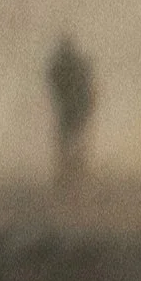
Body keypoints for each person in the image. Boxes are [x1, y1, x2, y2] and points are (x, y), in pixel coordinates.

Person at [46, 33, 97, 192]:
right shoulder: (74, 66)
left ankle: (73, 175)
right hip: (72, 110)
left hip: (75, 110)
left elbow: (86, 87)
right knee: (69, 144)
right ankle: (71, 176)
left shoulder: (72, 66)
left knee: (70, 143)